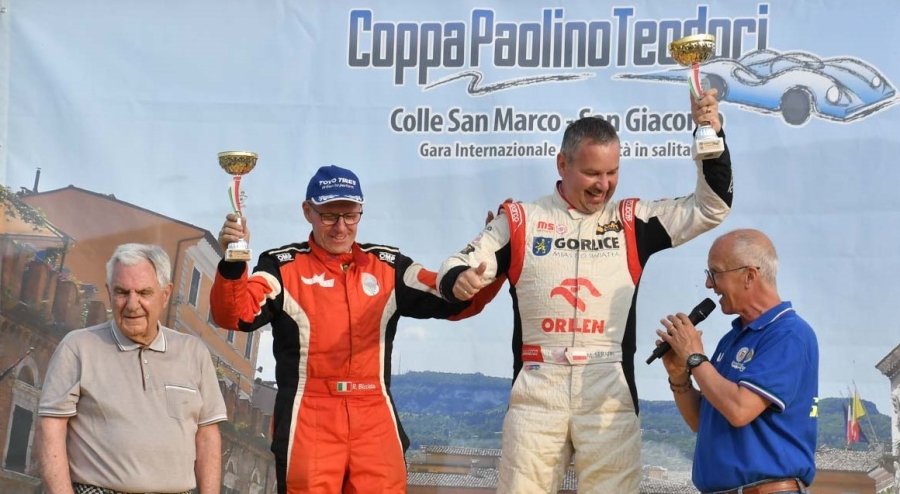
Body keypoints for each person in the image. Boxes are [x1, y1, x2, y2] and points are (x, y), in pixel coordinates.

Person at [437, 90, 733, 492]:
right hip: (537, 388)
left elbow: (711, 207)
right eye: (592, 173)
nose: (603, 185)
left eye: (612, 173)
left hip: (608, 387)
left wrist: (709, 134)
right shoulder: (521, 220)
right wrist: (459, 279)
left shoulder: (632, 220)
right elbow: (458, 263)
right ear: (563, 164)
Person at [209, 165, 502, 494]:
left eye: (350, 216)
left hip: (374, 417)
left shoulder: (389, 267)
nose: (341, 227)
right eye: (329, 216)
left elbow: (451, 297)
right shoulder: (281, 265)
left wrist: (490, 263)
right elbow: (234, 316)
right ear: (308, 211)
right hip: (310, 415)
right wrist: (233, 263)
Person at [38, 243, 227, 494]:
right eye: (122, 292)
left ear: (166, 294)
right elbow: (50, 428)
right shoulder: (78, 347)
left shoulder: (194, 353)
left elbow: (207, 438)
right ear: (109, 292)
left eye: (144, 292)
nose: (132, 304)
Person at [656, 229, 818, 494]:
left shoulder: (789, 333)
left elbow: (740, 410)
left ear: (750, 276)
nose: (709, 284)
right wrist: (679, 376)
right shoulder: (731, 339)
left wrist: (695, 358)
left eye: (715, 273)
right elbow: (701, 422)